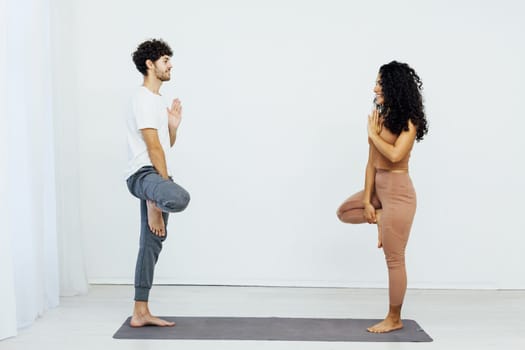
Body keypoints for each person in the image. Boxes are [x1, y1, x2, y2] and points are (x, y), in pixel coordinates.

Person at [336, 61, 428, 333]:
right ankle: (381, 218)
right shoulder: (380, 117)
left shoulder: (410, 121)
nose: (374, 87)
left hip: (399, 194)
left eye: (379, 82)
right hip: (379, 191)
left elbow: (395, 155)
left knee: (394, 258)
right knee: (344, 211)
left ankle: (394, 317)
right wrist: (367, 201)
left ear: (393, 86)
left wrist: (372, 135)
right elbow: (371, 162)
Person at [125, 39, 190, 327]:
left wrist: (173, 128)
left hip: (157, 176)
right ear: (150, 64)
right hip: (143, 175)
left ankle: (140, 311)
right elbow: (152, 148)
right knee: (179, 198)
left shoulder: (159, 102)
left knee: (152, 243)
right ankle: (155, 200)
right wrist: (156, 199)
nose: (170, 64)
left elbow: (165, 144)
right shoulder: (142, 98)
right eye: (165, 60)